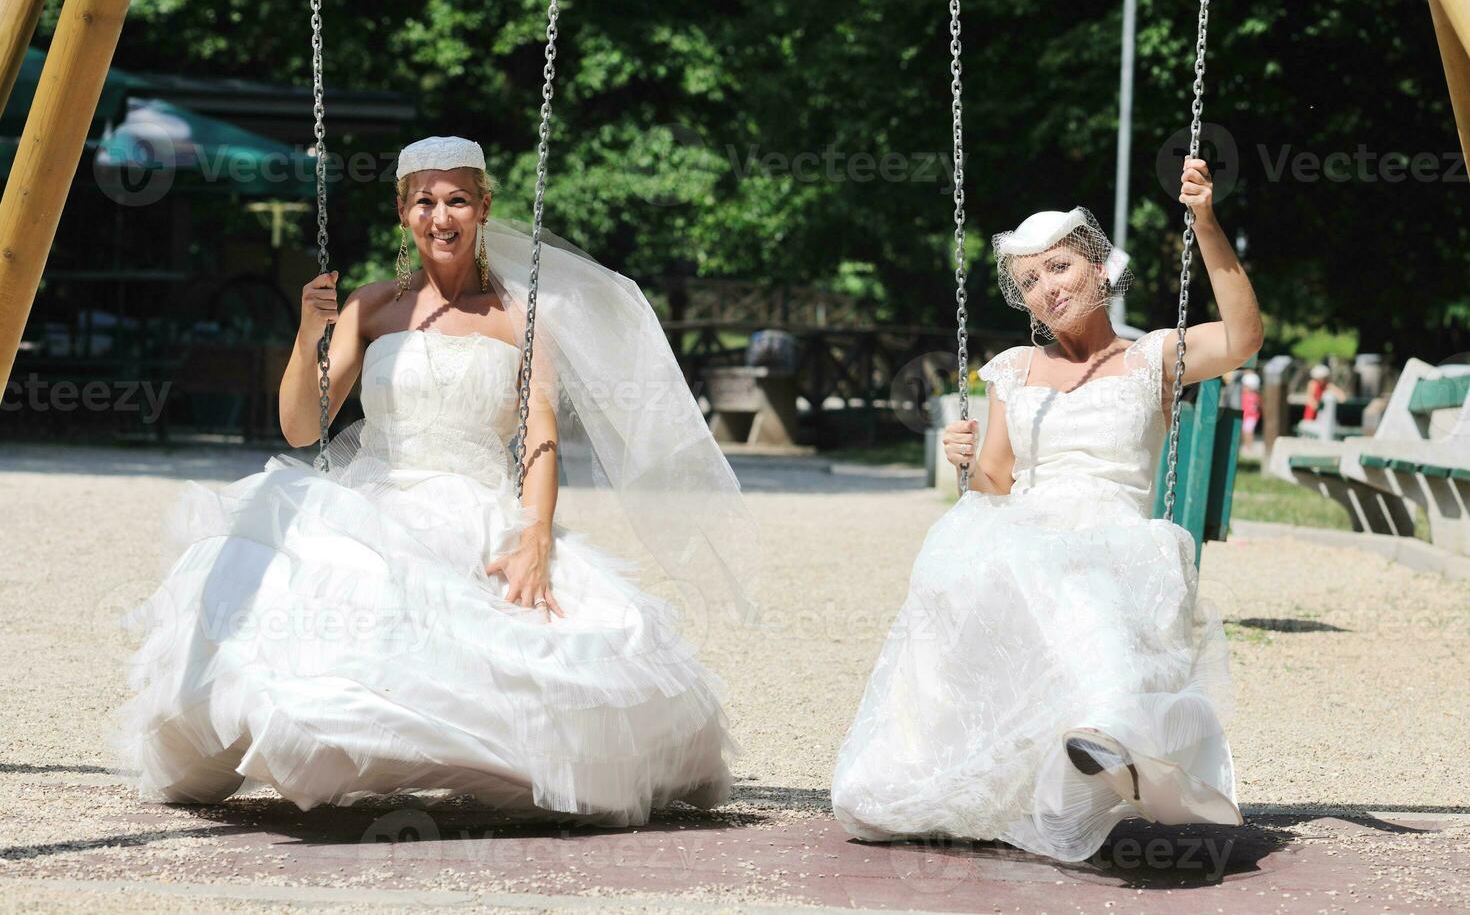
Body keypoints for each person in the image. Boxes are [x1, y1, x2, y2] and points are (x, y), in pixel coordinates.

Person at [109, 136, 758, 826]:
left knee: (578, 642)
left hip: (481, 507)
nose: (439, 216)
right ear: (403, 213)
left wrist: (535, 534)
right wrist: (308, 334)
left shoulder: (522, 316)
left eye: (455, 200)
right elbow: (302, 427)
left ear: (481, 208)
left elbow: (540, 429)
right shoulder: (372, 306)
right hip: (377, 501)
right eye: (424, 201)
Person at [830, 157, 1263, 862]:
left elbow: (1244, 338)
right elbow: (996, 486)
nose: (1046, 289)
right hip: (1029, 528)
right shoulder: (1013, 371)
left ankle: (1106, 733)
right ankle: (987, 763)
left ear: (1098, 269)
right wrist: (965, 458)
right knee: (967, 561)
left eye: (1059, 268)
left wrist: (1206, 225)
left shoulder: (1152, 357)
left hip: (1114, 532)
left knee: (1079, 577)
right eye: (1030, 281)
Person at [1240, 370, 1262, 453]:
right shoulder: (1245, 395)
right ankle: (1246, 445)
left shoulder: (1253, 396)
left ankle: (1249, 446)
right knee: (1245, 431)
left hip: (1251, 416)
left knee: (1248, 431)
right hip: (1246, 415)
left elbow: (1254, 408)